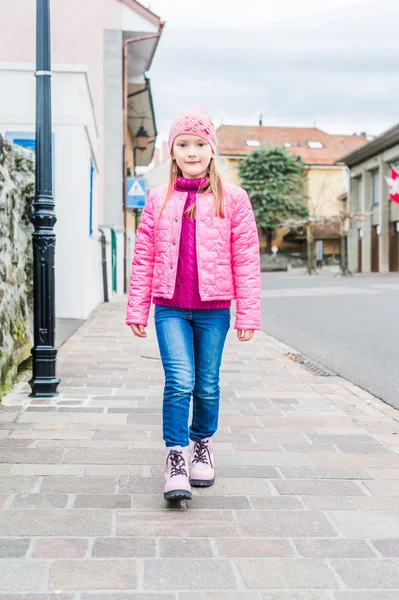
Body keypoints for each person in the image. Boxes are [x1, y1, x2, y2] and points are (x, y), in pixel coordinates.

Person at [126, 107, 261, 501]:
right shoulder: (157, 198)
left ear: (212, 150)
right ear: (172, 150)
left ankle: (202, 444)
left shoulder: (233, 199)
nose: (191, 151)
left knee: (206, 385)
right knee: (180, 381)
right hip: (169, 306)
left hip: (214, 309)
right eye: (183, 144)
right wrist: (137, 308)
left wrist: (248, 313)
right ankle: (175, 459)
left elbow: (247, 258)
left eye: (200, 144)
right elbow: (144, 255)